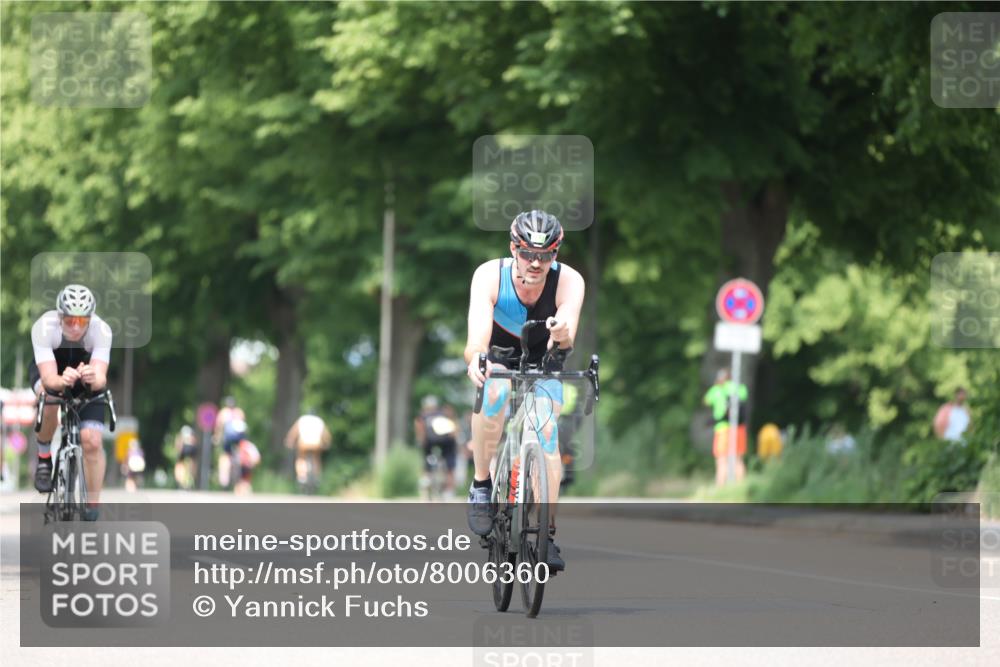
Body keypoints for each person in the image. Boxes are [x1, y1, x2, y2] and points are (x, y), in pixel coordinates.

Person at [464, 210, 585, 573]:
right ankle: (482, 486)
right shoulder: (489, 275)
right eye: (527, 254)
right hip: (499, 356)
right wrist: (477, 360)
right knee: (496, 392)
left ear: (556, 254)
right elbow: (476, 341)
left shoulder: (569, 282)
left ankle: (546, 534)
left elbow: (567, 338)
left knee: (546, 434)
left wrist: (560, 329)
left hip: (543, 360)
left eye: (545, 255)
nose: (535, 263)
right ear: (513, 249)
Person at [29, 284, 111, 521]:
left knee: (92, 440)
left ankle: (92, 504)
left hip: (84, 377)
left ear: (90, 319)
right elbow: (48, 378)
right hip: (51, 372)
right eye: (69, 320)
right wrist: (60, 380)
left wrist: (92, 377)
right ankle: (44, 457)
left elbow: (101, 378)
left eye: (82, 321)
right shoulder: (44, 327)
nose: (75, 326)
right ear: (59, 316)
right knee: (50, 396)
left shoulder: (101, 330)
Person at [703, 368, 748, 486]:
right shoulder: (738, 387)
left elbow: (706, 401)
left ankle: (720, 488)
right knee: (738, 459)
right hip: (739, 428)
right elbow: (744, 396)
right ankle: (740, 487)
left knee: (721, 459)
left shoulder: (716, 388)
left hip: (723, 428)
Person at [414, 395, 459, 499]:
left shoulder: (423, 415)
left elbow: (419, 426)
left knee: (426, 465)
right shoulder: (444, 412)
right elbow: (453, 425)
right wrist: (454, 437)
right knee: (450, 466)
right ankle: (449, 491)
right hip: (446, 441)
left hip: (430, 441)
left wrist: (421, 439)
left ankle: (425, 486)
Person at [284, 408, 332, 492]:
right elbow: (326, 434)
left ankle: (302, 477)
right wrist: (327, 443)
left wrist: (290, 441)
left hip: (304, 443)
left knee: (301, 459)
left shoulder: (302, 419)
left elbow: (294, 432)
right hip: (316, 443)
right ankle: (316, 477)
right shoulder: (319, 421)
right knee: (316, 459)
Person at [213, 396, 246, 487]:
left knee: (225, 456)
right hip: (238, 439)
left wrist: (216, 438)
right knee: (238, 455)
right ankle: (237, 475)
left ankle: (224, 480)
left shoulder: (223, 412)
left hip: (227, 439)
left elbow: (218, 427)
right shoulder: (239, 412)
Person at [174, 425, 198, 489]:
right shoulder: (191, 434)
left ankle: (180, 481)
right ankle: (191, 477)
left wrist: (178, 451)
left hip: (184, 448)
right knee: (192, 462)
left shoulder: (181, 434)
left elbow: (178, 443)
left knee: (179, 464)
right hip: (192, 448)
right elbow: (194, 442)